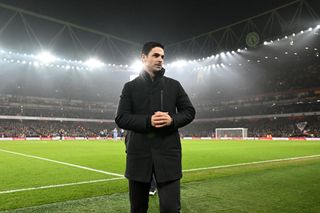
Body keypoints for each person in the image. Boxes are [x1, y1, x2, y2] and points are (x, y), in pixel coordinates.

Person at [115, 41, 195, 213]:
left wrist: (172, 119)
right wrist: (147, 121)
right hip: (139, 154)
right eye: (156, 55)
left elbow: (189, 111)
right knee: (138, 208)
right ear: (144, 58)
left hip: (168, 154)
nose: (160, 59)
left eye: (163, 56)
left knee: (171, 208)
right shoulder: (130, 87)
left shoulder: (174, 85)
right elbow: (121, 118)